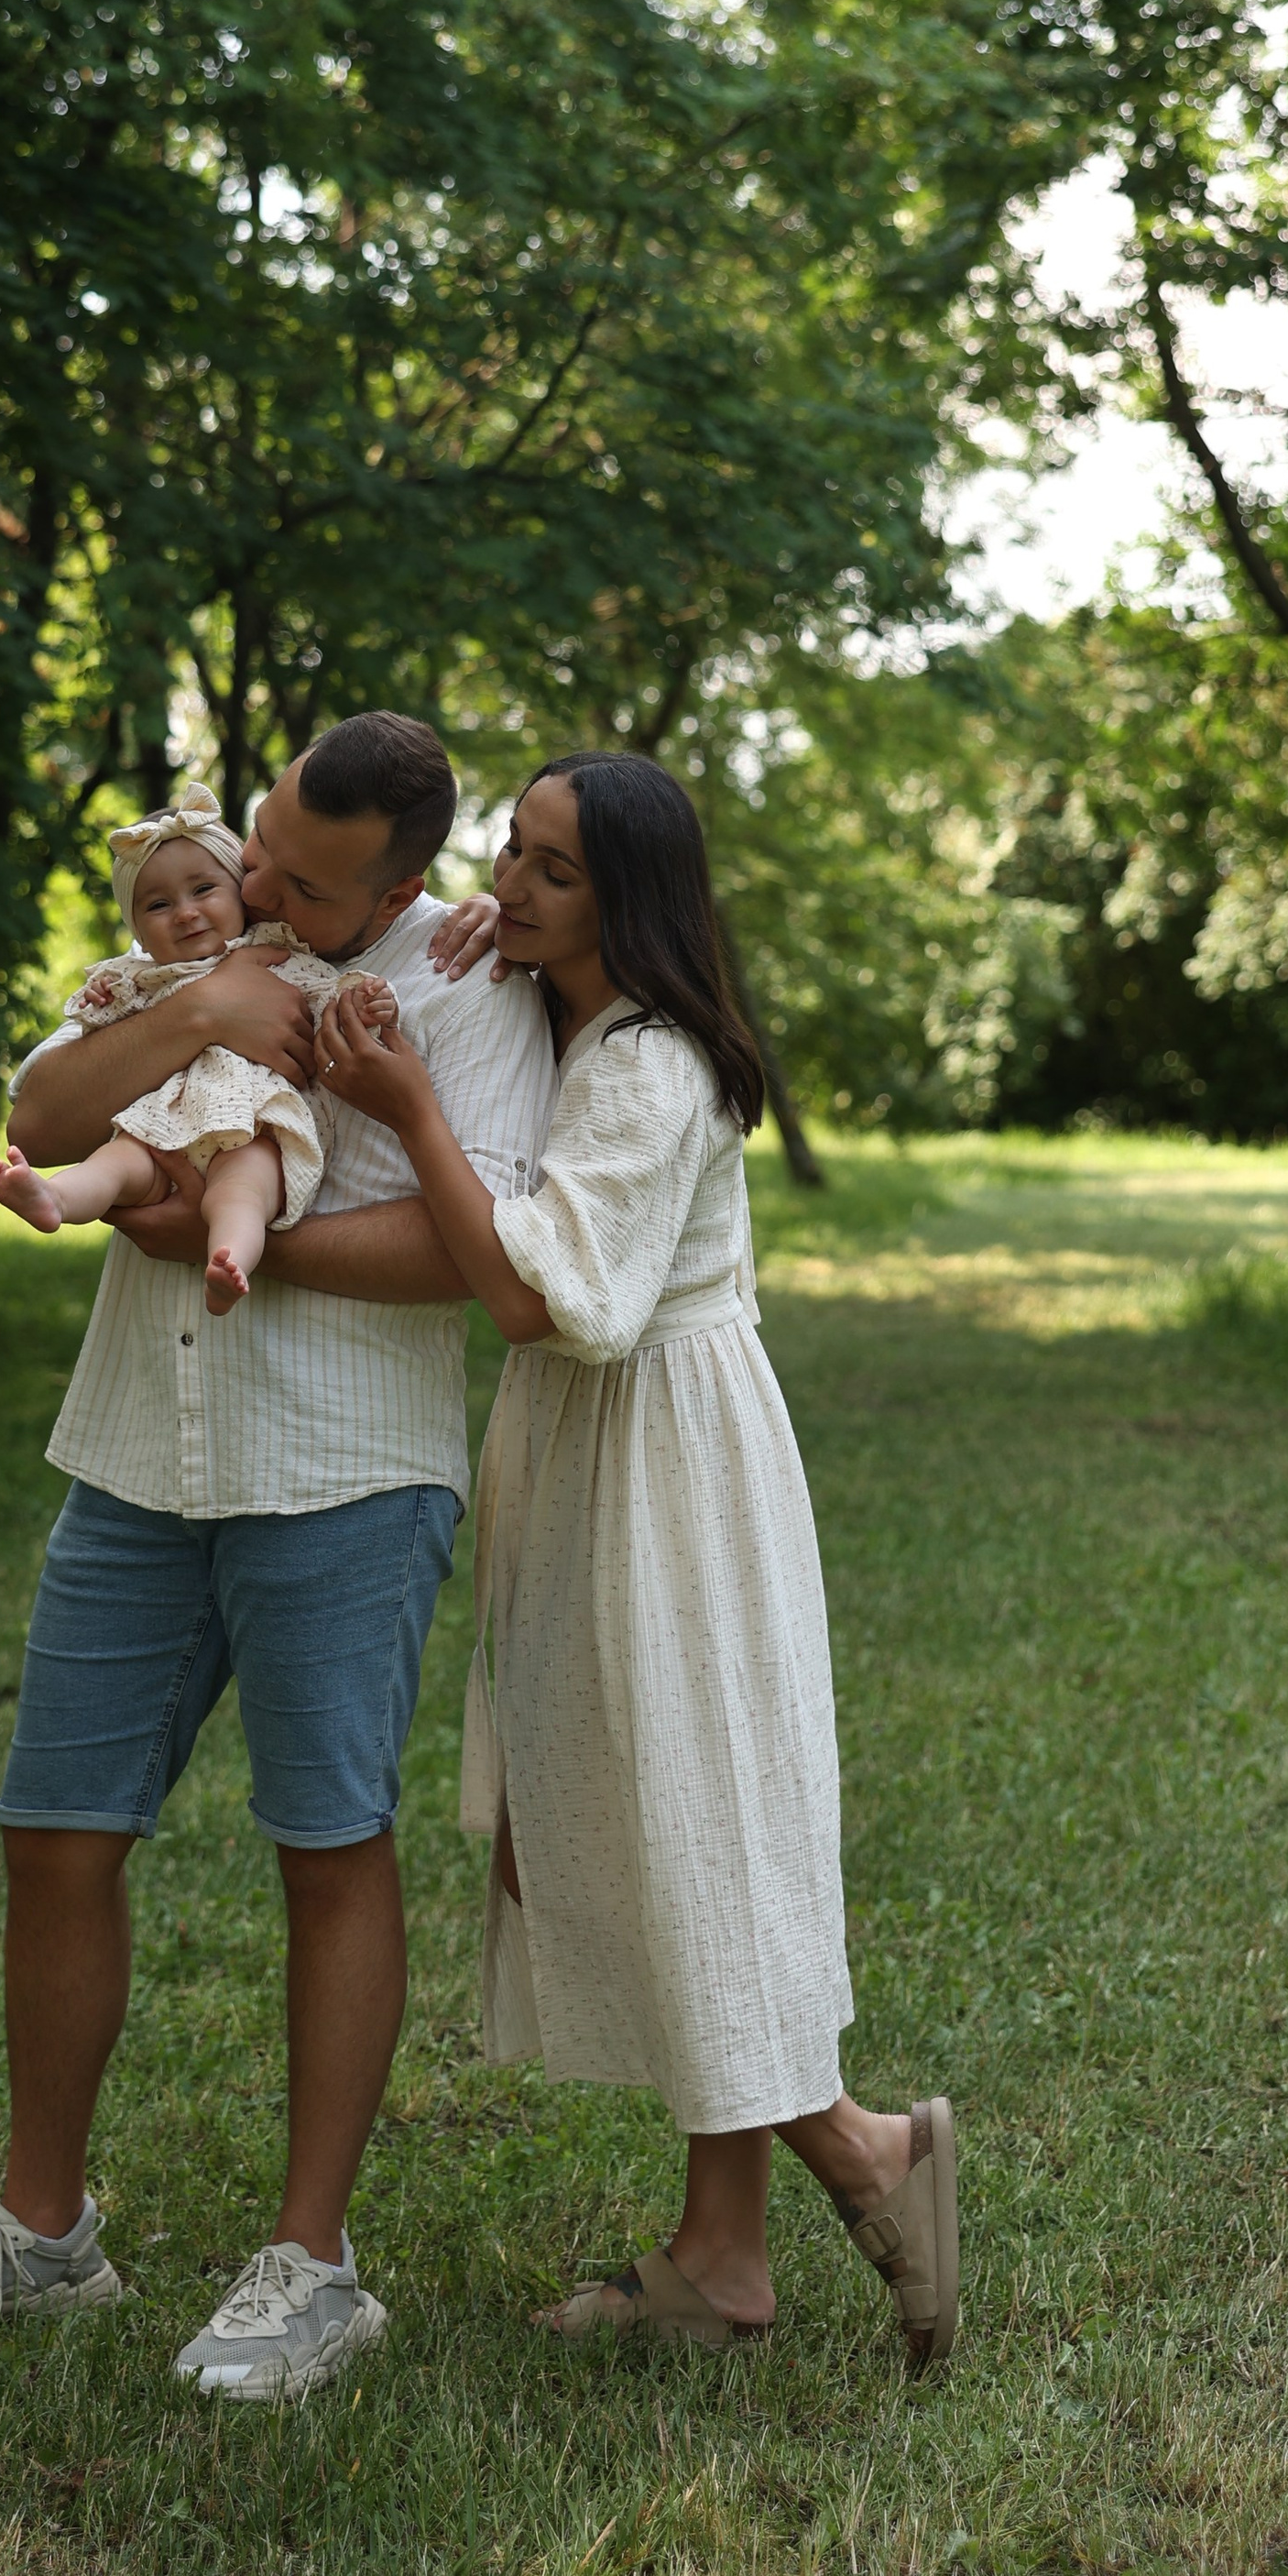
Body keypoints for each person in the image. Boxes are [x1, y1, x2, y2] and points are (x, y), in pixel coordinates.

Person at [0, 713, 556, 2402]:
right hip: (132, 1455)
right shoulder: (198, 945)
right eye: (259, 845)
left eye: (306, 883)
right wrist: (206, 1003)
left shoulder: (468, 990)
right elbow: (42, 1101)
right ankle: (44, 2227)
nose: (258, 884)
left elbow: (484, 1243)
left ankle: (315, 2266)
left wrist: (243, 1236)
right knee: (54, 1832)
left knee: (329, 1845)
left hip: (345, 1476)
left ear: (409, 883)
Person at [318, 750, 959, 2365]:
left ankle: (869, 2153)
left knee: (682, 1835)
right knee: (646, 1824)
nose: (509, 887)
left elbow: (554, 1299)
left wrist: (405, 1110)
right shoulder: (574, 1012)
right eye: (512, 855)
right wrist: (473, 947)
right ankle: (720, 2259)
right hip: (594, 1456)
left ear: (633, 901)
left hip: (664, 1464)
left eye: (553, 872)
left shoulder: (653, 1067)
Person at [0, 781, 398, 1315]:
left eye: (204, 890)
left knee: (242, 1189)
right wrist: (100, 997)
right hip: (161, 1122)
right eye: (158, 904)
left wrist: (364, 1001)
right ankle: (55, 1199)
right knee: (117, 1164)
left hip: (255, 1121)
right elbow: (95, 1022)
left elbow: (323, 999)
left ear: (241, 891)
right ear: (138, 927)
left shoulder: (274, 953)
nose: (184, 913)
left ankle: (230, 1261)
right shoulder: (143, 974)